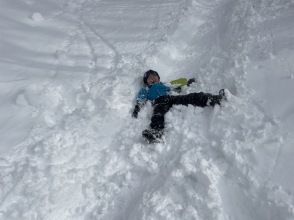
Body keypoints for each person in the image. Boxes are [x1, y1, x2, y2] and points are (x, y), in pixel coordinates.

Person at [132, 69, 226, 143]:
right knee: (158, 114)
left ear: (159, 78)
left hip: (171, 98)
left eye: (154, 76)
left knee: (191, 97)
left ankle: (212, 99)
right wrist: (137, 108)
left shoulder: (165, 84)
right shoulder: (146, 90)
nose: (153, 78)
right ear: (146, 82)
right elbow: (141, 99)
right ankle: (156, 132)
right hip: (159, 102)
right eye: (150, 78)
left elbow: (178, 82)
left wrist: (187, 82)